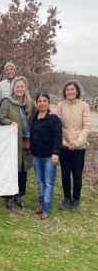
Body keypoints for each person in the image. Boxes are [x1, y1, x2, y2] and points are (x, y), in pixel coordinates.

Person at [0, 76, 37, 210]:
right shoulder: (7, 102)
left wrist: (51, 112)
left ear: (25, 88)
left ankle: (18, 194)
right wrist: (10, 122)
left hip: (25, 142)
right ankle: (8, 197)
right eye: (17, 86)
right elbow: (1, 116)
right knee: (10, 168)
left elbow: (39, 113)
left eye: (22, 86)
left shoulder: (30, 103)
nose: (19, 89)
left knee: (22, 169)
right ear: (13, 88)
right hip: (11, 141)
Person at [56, 80, 91, 213]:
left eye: (72, 89)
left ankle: (76, 200)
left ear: (77, 91)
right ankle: (66, 198)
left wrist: (76, 143)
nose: (69, 92)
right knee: (65, 174)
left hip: (79, 147)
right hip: (64, 147)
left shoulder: (84, 106)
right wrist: (65, 143)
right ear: (64, 92)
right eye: (67, 90)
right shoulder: (60, 105)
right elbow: (57, 125)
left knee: (77, 174)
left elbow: (86, 127)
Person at [29, 93, 62, 220]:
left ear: (49, 103)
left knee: (49, 182)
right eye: (40, 101)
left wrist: (55, 153)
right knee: (39, 180)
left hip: (49, 156)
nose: (42, 103)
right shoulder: (34, 117)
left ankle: (46, 208)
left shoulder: (54, 119)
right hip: (36, 155)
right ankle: (41, 203)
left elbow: (58, 137)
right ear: (37, 103)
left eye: (45, 101)